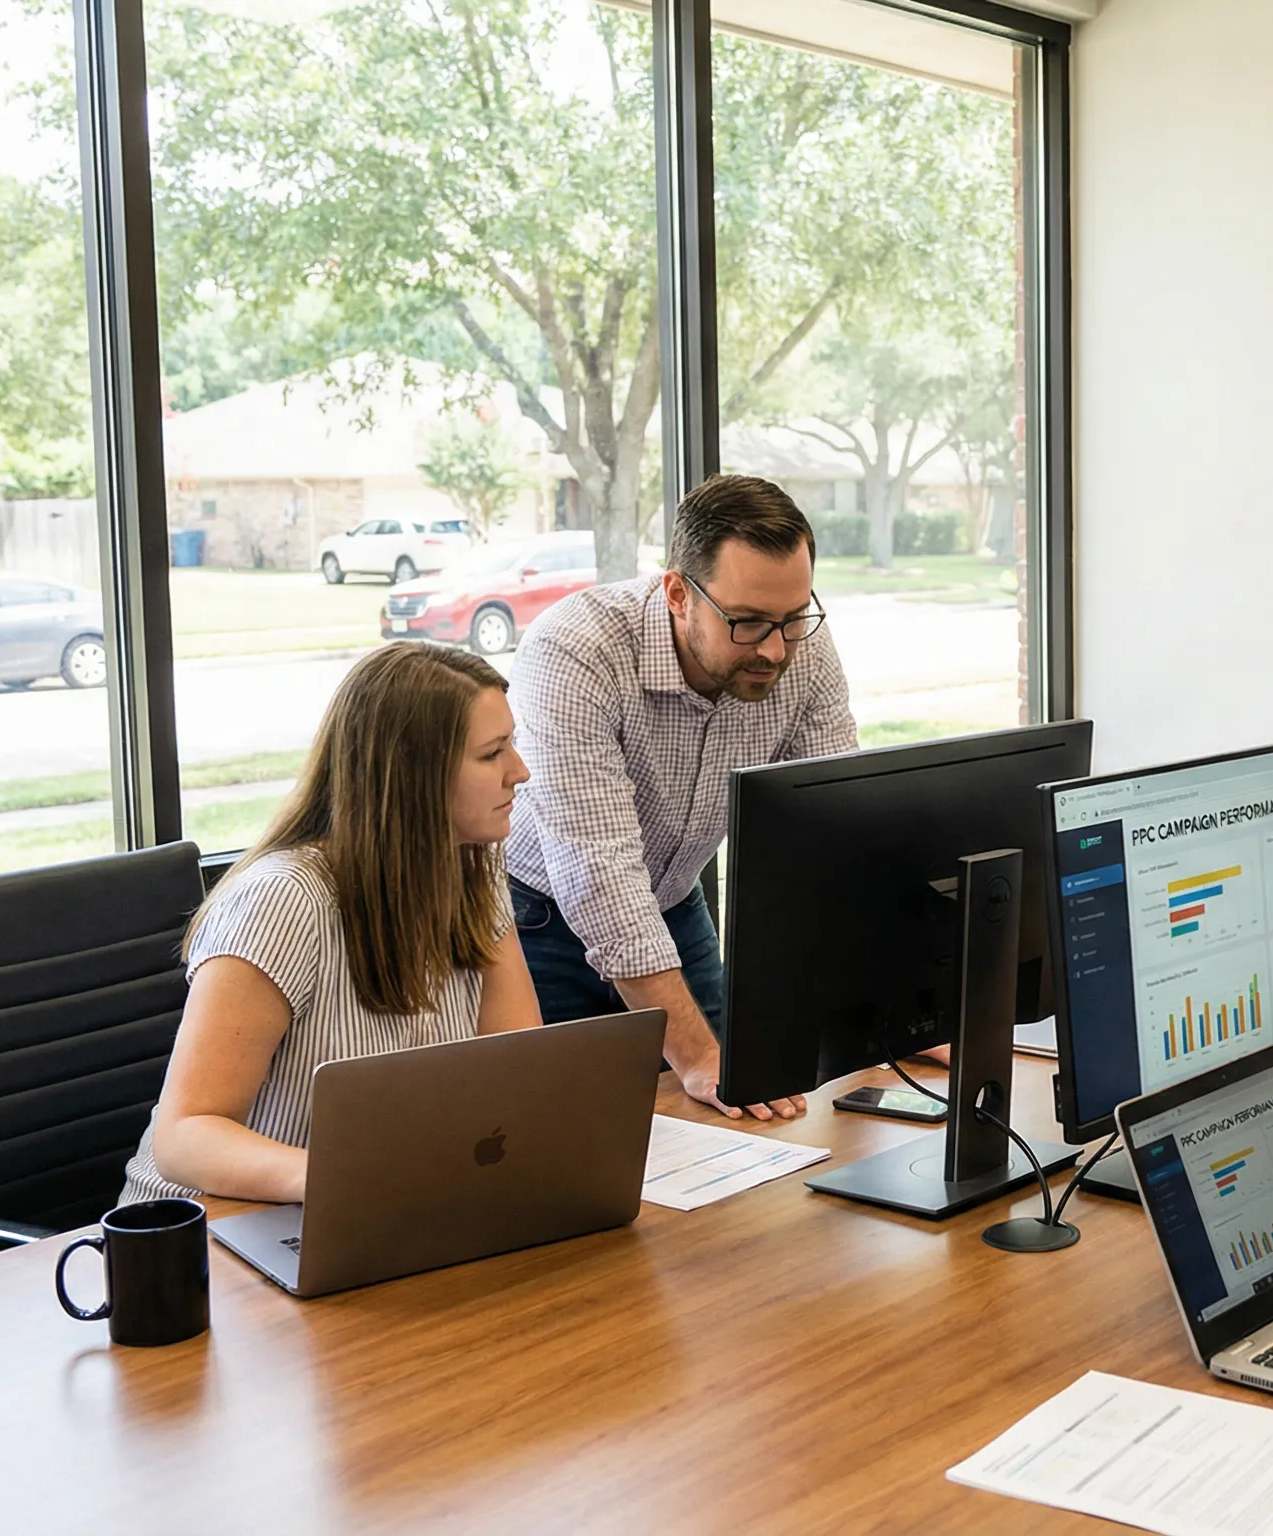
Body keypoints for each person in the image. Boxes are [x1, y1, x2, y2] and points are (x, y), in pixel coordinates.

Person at [122, 643, 542, 1206]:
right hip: (219, 1229)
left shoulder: (472, 870)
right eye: (493, 754)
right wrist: (347, 1178)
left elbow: (518, 1070)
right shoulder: (282, 902)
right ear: (413, 776)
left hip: (385, 1206)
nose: (521, 771)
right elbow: (185, 1134)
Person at [503, 474, 857, 1121]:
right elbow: (598, 875)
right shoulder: (574, 651)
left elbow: (836, 830)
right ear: (677, 594)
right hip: (538, 923)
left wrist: (892, 1010)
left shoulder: (797, 647)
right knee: (560, 1137)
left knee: (743, 1115)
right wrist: (696, 1056)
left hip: (672, 904)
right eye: (748, 623)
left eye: (794, 618)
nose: (776, 650)